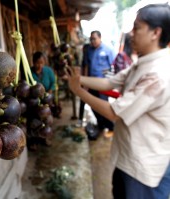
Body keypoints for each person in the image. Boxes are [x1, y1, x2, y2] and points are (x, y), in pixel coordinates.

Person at [67, 4, 170, 199]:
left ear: (156, 32)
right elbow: (109, 82)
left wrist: (78, 91)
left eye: (137, 28)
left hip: (143, 168)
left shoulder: (158, 74)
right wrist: (77, 79)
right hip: (128, 159)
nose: (131, 34)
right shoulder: (143, 63)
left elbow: (114, 112)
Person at [86, 30, 116, 132]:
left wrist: (109, 79)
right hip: (91, 83)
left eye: (94, 39)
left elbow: (114, 66)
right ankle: (101, 124)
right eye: (91, 39)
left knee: (104, 105)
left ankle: (110, 126)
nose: (92, 41)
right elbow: (86, 66)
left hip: (103, 84)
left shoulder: (108, 50)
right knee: (93, 105)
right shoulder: (89, 50)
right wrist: (85, 82)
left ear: (100, 38)